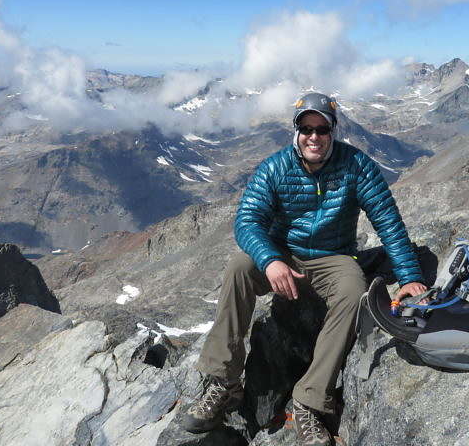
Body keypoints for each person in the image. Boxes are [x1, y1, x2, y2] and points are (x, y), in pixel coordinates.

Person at [179, 92, 427, 446]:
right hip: (283, 252)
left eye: (322, 129)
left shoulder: (357, 165)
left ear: (333, 131)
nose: (314, 136)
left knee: (354, 290)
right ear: (296, 131)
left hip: (333, 257)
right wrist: (271, 260)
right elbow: (247, 221)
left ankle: (309, 401)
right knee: (239, 266)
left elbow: (388, 221)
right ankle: (224, 381)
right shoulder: (275, 167)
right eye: (306, 128)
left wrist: (411, 278)